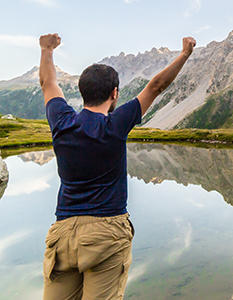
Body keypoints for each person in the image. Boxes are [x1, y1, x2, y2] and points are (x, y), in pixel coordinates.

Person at [39, 33, 196, 300]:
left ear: (81, 92)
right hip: (106, 233)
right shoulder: (116, 124)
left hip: (63, 234)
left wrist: (46, 49)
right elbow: (156, 86)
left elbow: (47, 83)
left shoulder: (61, 121)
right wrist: (184, 54)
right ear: (114, 94)